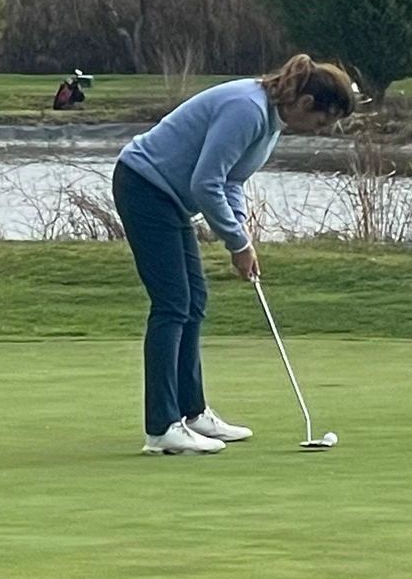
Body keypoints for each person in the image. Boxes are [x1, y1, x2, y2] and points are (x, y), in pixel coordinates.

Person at [113, 54, 355, 456]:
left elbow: (232, 180)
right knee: (172, 304)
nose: (320, 130)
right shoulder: (247, 109)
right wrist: (236, 244)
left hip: (167, 197)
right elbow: (206, 182)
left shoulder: (271, 122)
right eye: (321, 122)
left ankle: (191, 413)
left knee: (194, 301)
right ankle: (162, 428)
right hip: (144, 186)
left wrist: (240, 234)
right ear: (306, 102)